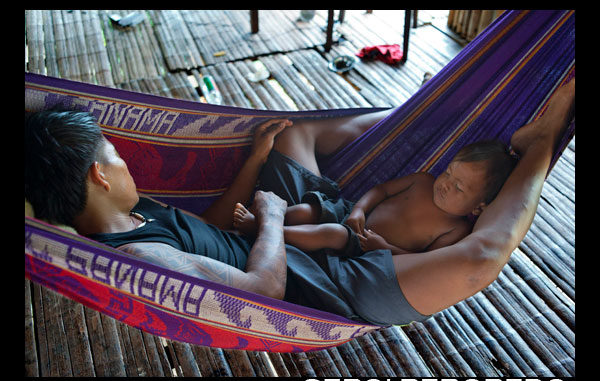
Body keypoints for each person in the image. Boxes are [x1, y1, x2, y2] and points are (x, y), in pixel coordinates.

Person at [24, 78, 574, 326]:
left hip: (278, 230)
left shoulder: (137, 213)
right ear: (99, 174)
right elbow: (263, 291)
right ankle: (540, 148)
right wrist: (269, 218)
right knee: (478, 260)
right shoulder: (142, 259)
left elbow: (211, 224)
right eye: (116, 155)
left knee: (296, 135)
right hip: (324, 287)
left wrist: (252, 161)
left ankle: (434, 111)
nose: (126, 163)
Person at [232, 140, 517, 256]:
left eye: (459, 188)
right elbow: (380, 191)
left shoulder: (457, 229)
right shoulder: (423, 180)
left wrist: (385, 247)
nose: (445, 184)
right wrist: (358, 210)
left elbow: (425, 260)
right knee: (309, 210)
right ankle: (265, 218)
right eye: (448, 173)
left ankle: (266, 229)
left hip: (364, 246)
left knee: (331, 233)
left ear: (479, 207)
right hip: (352, 214)